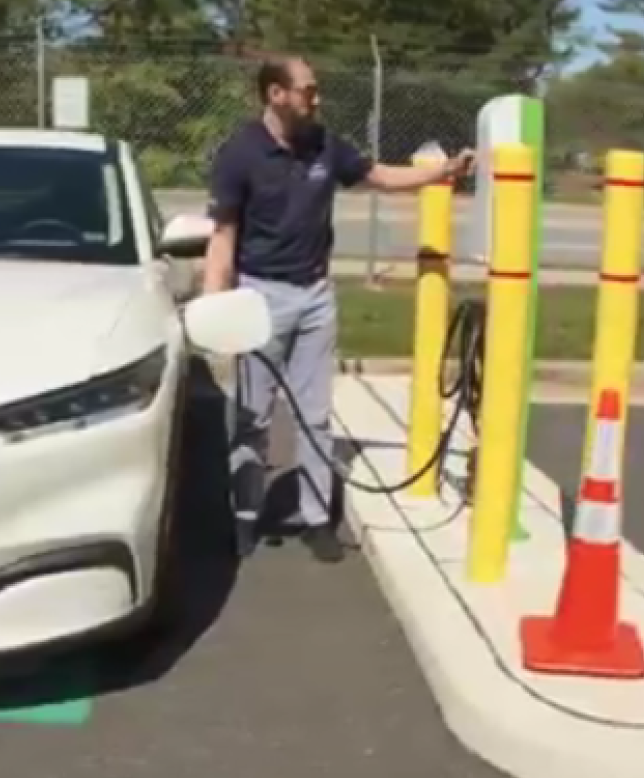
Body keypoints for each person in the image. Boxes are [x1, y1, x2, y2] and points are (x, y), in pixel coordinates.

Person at [201, 54, 474, 563]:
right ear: (276, 95)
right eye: (307, 89)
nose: (316, 97)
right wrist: (215, 309)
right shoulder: (240, 153)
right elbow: (223, 236)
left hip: (315, 296)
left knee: (315, 415)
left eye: (316, 88)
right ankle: (243, 518)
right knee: (252, 417)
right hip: (260, 297)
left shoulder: (325, 144)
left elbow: (380, 175)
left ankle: (315, 517)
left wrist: (442, 173)